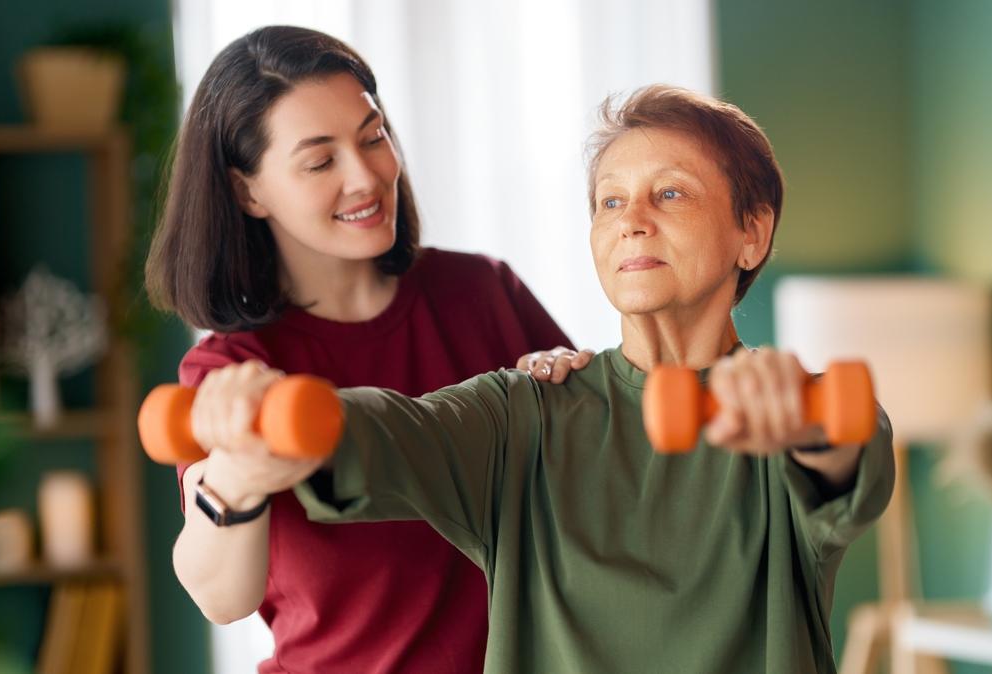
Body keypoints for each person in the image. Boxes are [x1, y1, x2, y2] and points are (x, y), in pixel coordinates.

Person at [196, 84, 896, 673]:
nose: (633, 224)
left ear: (753, 231)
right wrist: (270, 415)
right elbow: (386, 430)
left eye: (672, 194)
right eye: (611, 203)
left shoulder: (794, 408)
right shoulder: (521, 416)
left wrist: (801, 423)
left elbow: (845, 450)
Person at [145, 26, 591, 674]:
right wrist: (237, 481)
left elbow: (593, 496)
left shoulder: (483, 293)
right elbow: (220, 596)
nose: (366, 176)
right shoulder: (232, 372)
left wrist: (562, 407)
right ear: (248, 191)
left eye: (373, 136)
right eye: (321, 161)